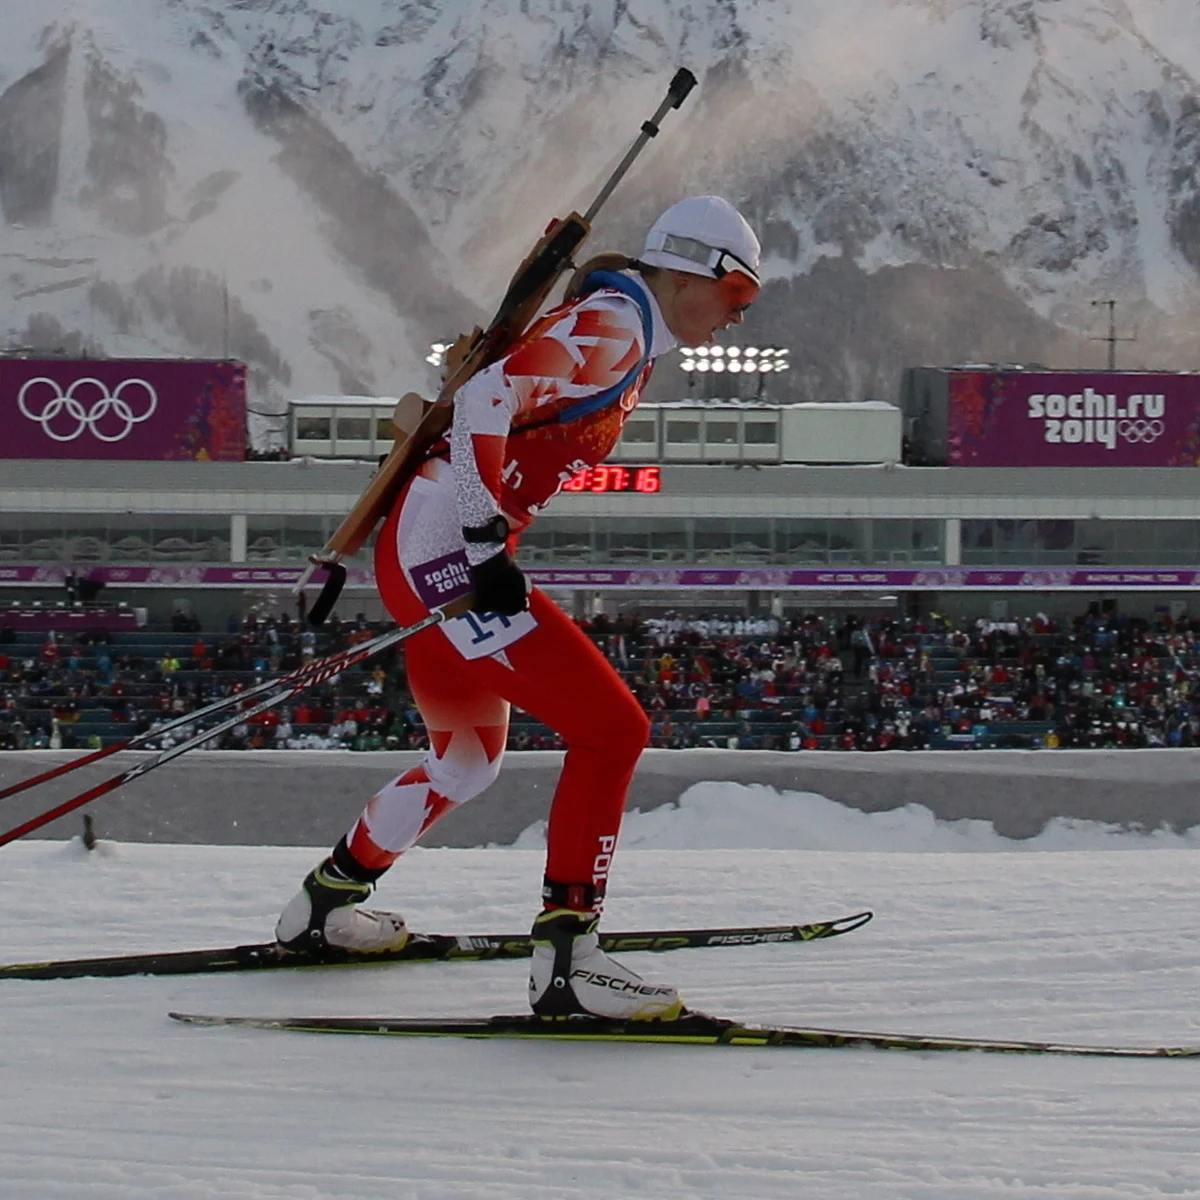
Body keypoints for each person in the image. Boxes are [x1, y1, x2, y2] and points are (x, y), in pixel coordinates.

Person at [276, 196, 762, 1020]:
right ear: (692, 271)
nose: (736, 319)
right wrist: (482, 536)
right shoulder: (618, 327)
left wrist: (480, 532)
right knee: (614, 731)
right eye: (739, 295)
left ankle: (324, 908)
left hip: (431, 548)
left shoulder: (623, 327)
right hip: (447, 555)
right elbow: (486, 400)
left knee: (466, 760)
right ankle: (569, 962)